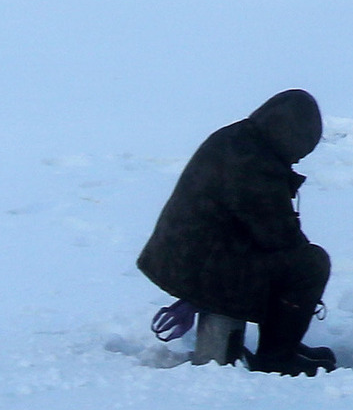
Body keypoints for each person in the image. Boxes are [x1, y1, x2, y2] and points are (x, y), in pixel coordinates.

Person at [137, 89, 336, 376]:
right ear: (290, 137)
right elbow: (278, 236)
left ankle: (284, 343)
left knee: (289, 261)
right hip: (202, 267)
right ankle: (277, 356)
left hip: (187, 258)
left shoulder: (237, 139)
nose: (296, 160)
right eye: (300, 150)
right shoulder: (255, 164)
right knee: (310, 265)